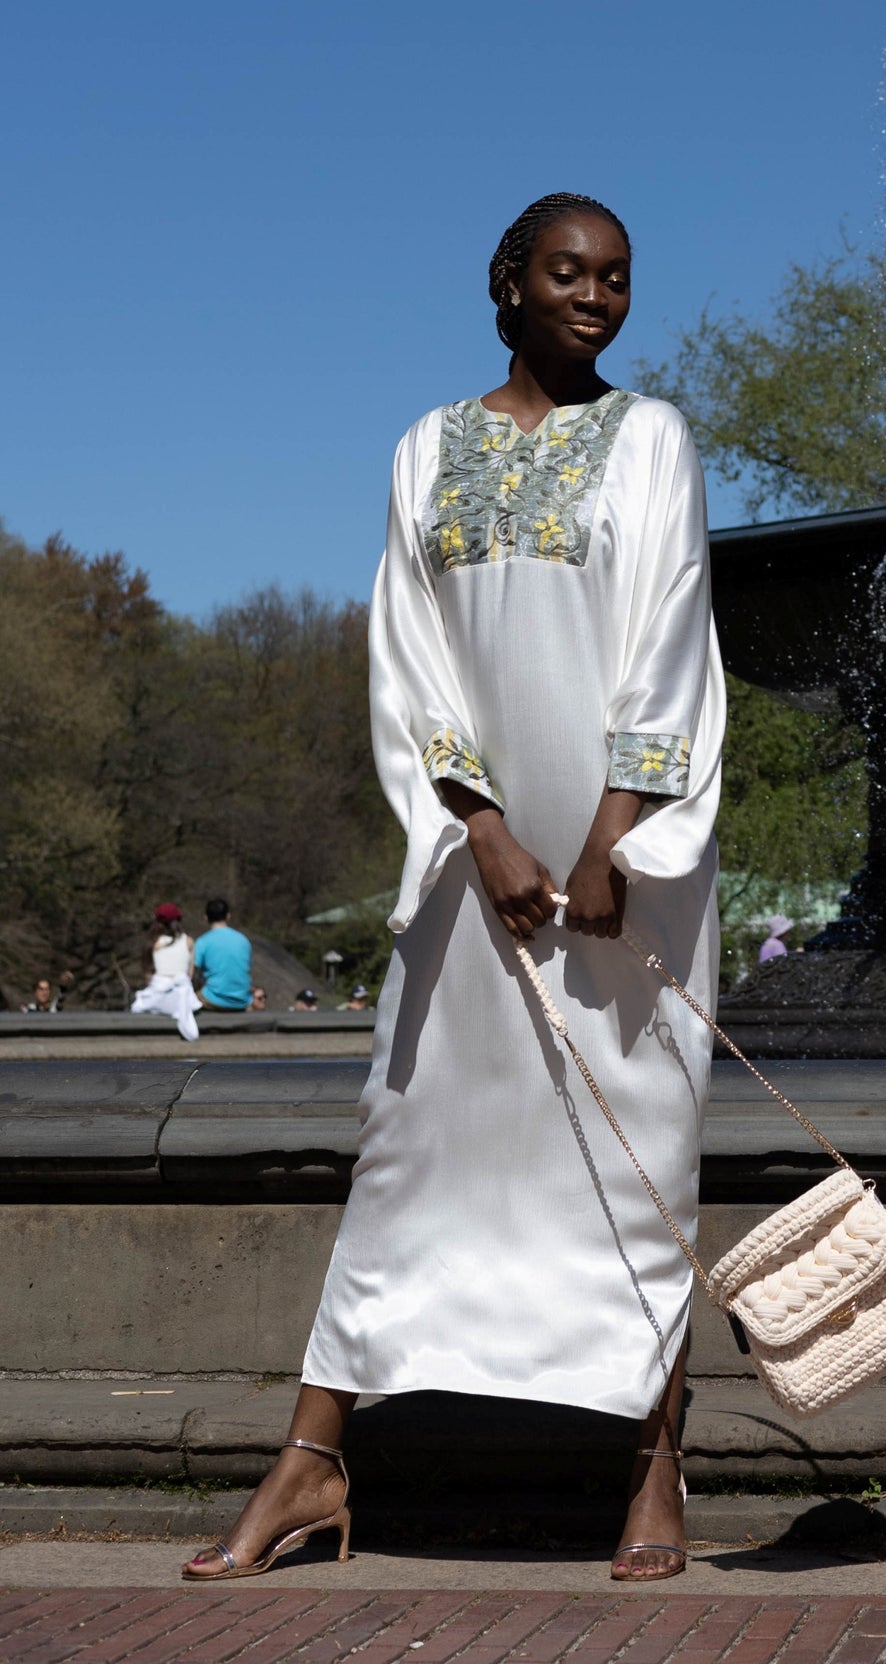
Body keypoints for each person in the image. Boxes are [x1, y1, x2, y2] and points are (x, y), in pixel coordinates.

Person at [182, 192, 723, 1588]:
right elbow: (408, 655)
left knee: (635, 1151)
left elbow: (670, 633)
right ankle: (312, 1460)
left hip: (625, 870)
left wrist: (612, 837)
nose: (595, 296)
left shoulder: (652, 439)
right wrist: (480, 825)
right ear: (508, 284)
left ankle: (656, 1462)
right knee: (409, 1143)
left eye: (615, 276)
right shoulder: (429, 446)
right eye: (566, 272)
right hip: (468, 864)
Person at [130, 903, 203, 1041]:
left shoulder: (153, 943)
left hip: (158, 995)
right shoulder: (188, 941)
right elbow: (190, 974)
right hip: (182, 995)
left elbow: (149, 976)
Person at [193, 898, 253, 1011]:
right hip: (243, 1000)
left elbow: (193, 973)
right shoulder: (243, 940)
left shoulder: (202, 942)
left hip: (213, 999)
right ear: (228, 916)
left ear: (206, 918)